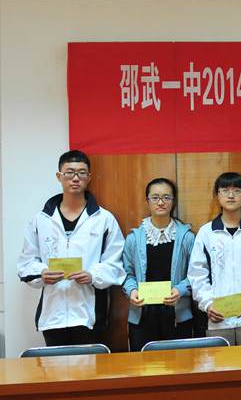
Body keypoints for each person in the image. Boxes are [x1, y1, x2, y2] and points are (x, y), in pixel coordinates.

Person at [17, 150, 125, 346]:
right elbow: (26, 263)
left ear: (89, 177)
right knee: (55, 366)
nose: (75, 178)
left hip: (90, 316)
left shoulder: (104, 219)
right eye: (69, 173)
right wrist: (42, 273)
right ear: (59, 176)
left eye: (81, 173)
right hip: (52, 317)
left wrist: (93, 275)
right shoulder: (41, 220)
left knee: (89, 366)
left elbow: (116, 264)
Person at [188, 172, 241, 345]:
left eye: (237, 191)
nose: (231, 195)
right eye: (225, 190)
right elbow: (197, 273)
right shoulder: (206, 233)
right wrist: (208, 304)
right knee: (221, 361)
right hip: (218, 318)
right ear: (217, 195)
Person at [122, 178, 195, 351]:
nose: (160, 202)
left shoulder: (187, 237)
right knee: (144, 366)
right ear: (147, 201)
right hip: (142, 315)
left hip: (178, 315)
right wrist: (132, 291)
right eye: (155, 197)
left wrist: (180, 290)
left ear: (173, 201)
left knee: (180, 365)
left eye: (166, 197)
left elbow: (196, 274)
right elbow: (126, 274)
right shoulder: (133, 238)